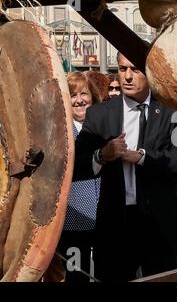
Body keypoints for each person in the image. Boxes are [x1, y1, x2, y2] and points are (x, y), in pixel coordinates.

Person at [73, 53, 177, 281]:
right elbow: (77, 167)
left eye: (135, 69)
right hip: (116, 225)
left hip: (159, 225)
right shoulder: (100, 115)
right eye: (122, 69)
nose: (127, 76)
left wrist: (142, 157)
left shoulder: (172, 111)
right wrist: (102, 155)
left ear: (150, 73)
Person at [58, 72, 102, 282]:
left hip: (105, 217)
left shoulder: (105, 127)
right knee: (77, 276)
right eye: (72, 95)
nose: (79, 100)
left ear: (93, 96)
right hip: (73, 219)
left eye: (83, 93)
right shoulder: (59, 132)